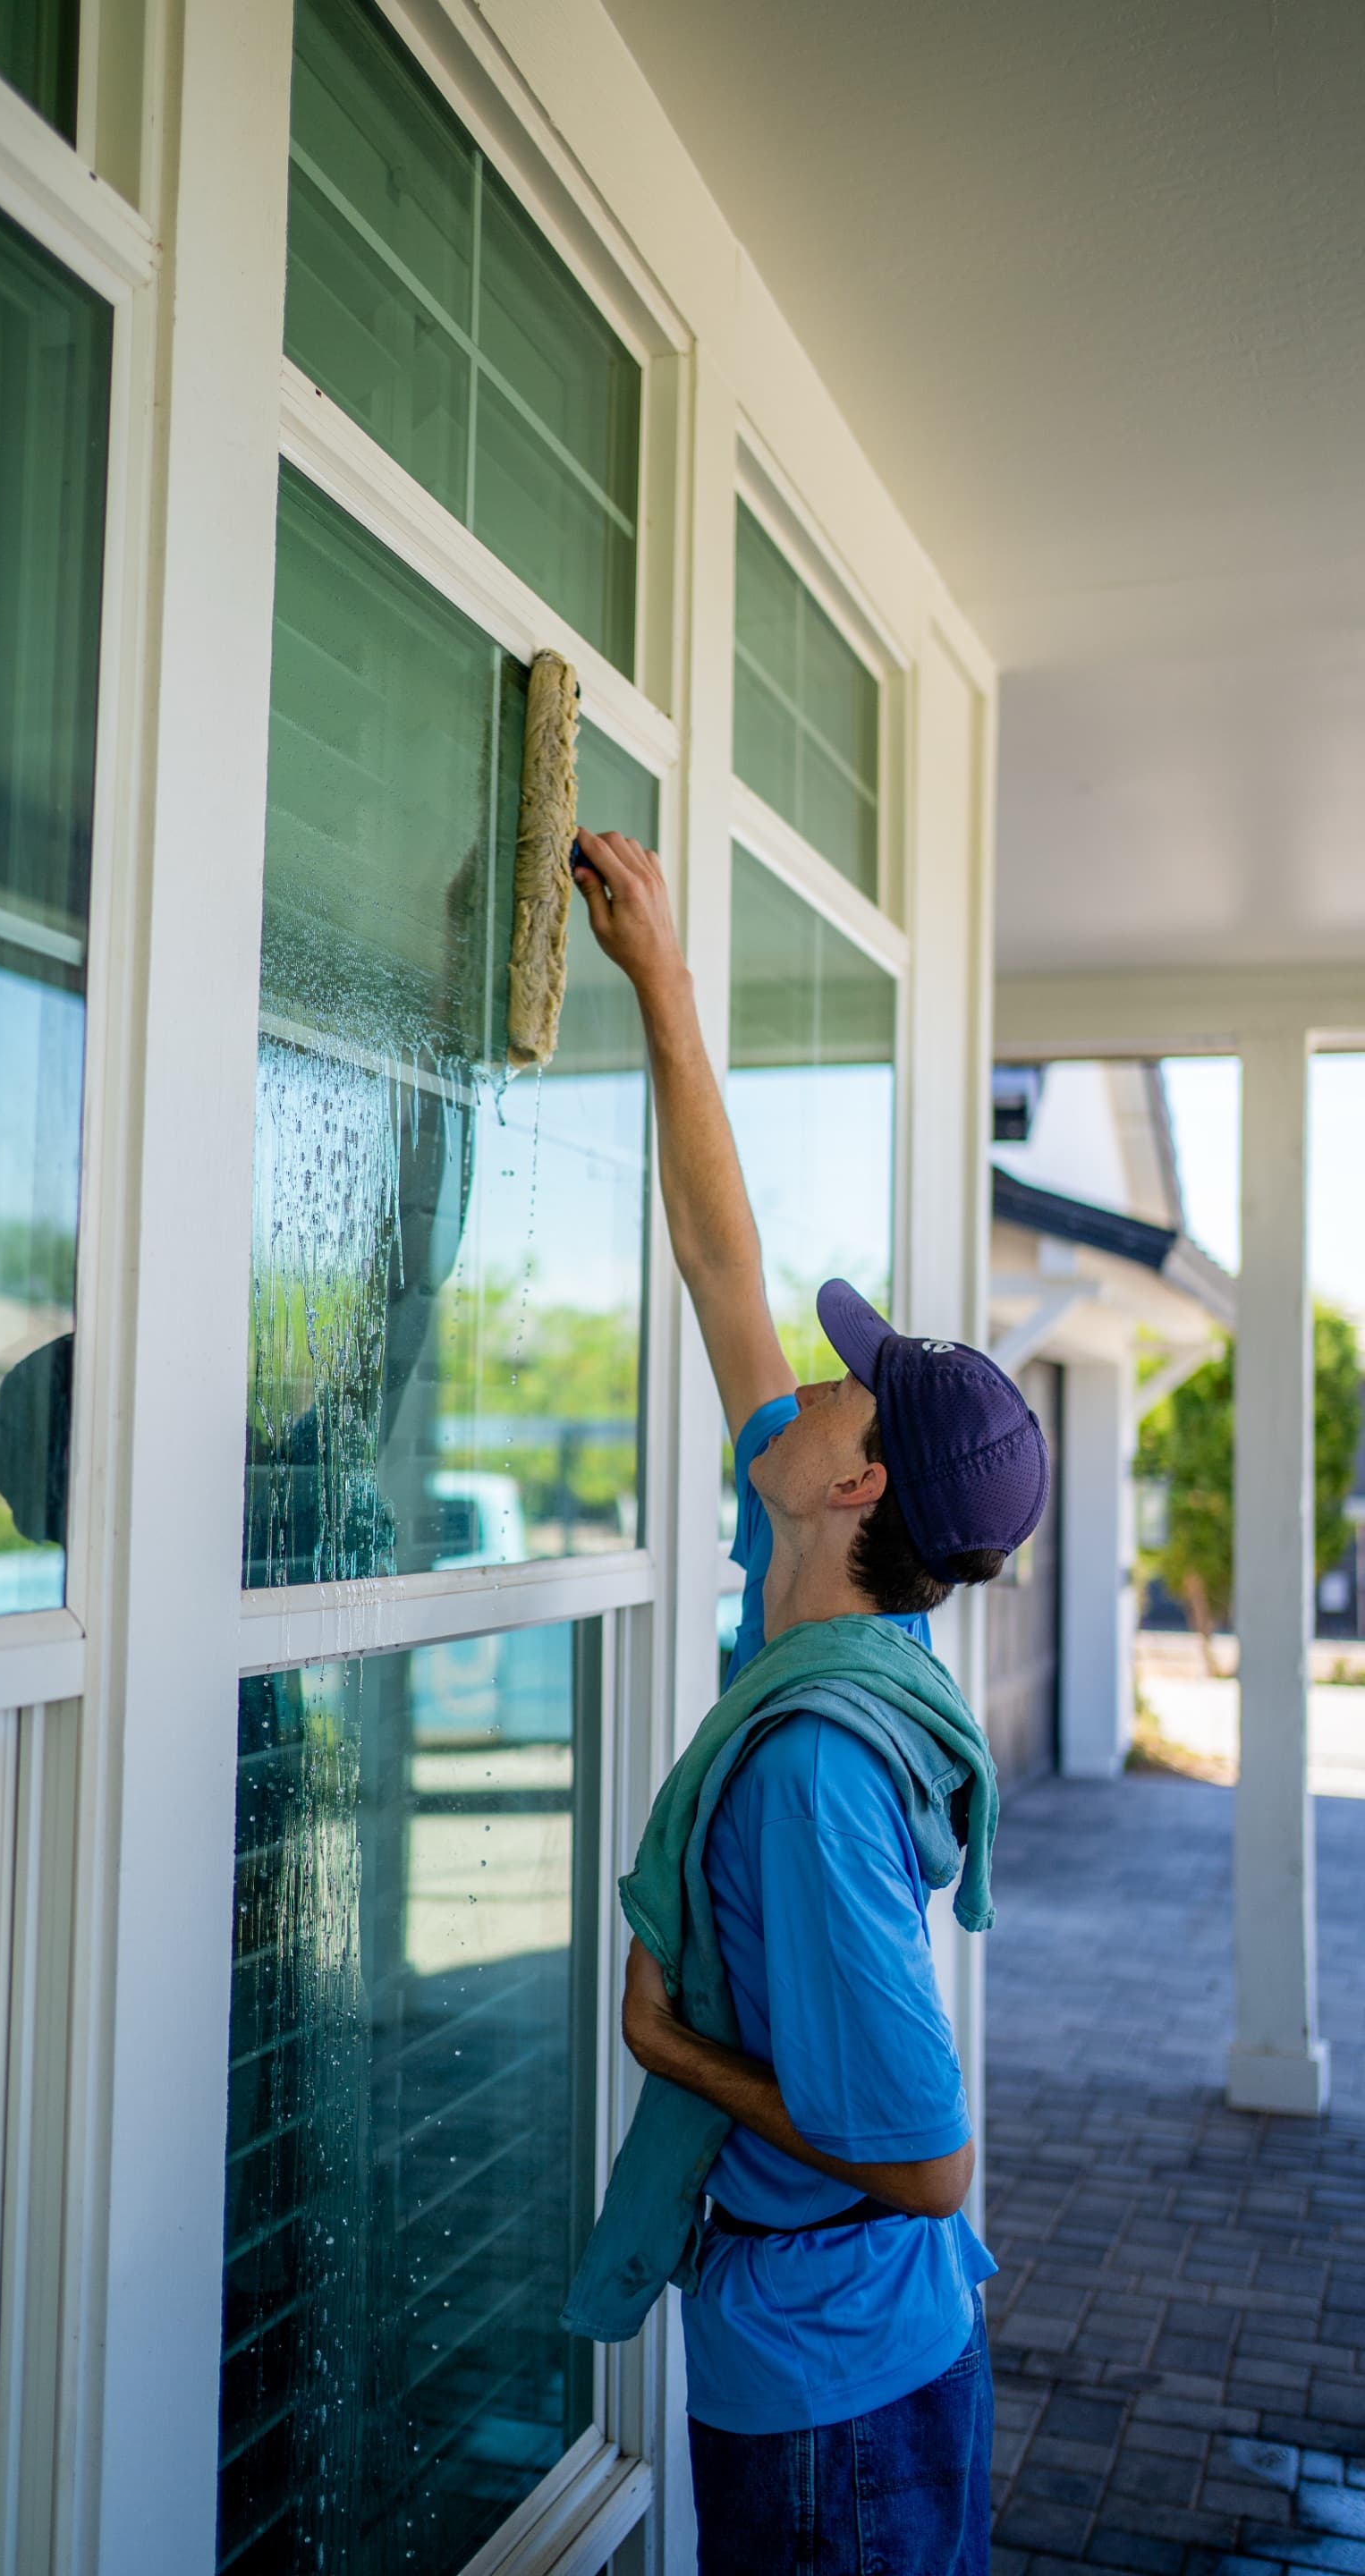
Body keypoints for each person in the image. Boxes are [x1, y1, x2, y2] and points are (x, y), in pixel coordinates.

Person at [565, 825, 1050, 2576]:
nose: (822, 1384)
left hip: (843, 2398)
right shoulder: (847, 1633)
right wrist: (665, 985)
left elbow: (926, 2160)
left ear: (858, 1492)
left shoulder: (815, 1774)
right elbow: (722, 1270)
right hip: (851, 2355)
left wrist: (667, 2046)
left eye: (851, 1393)